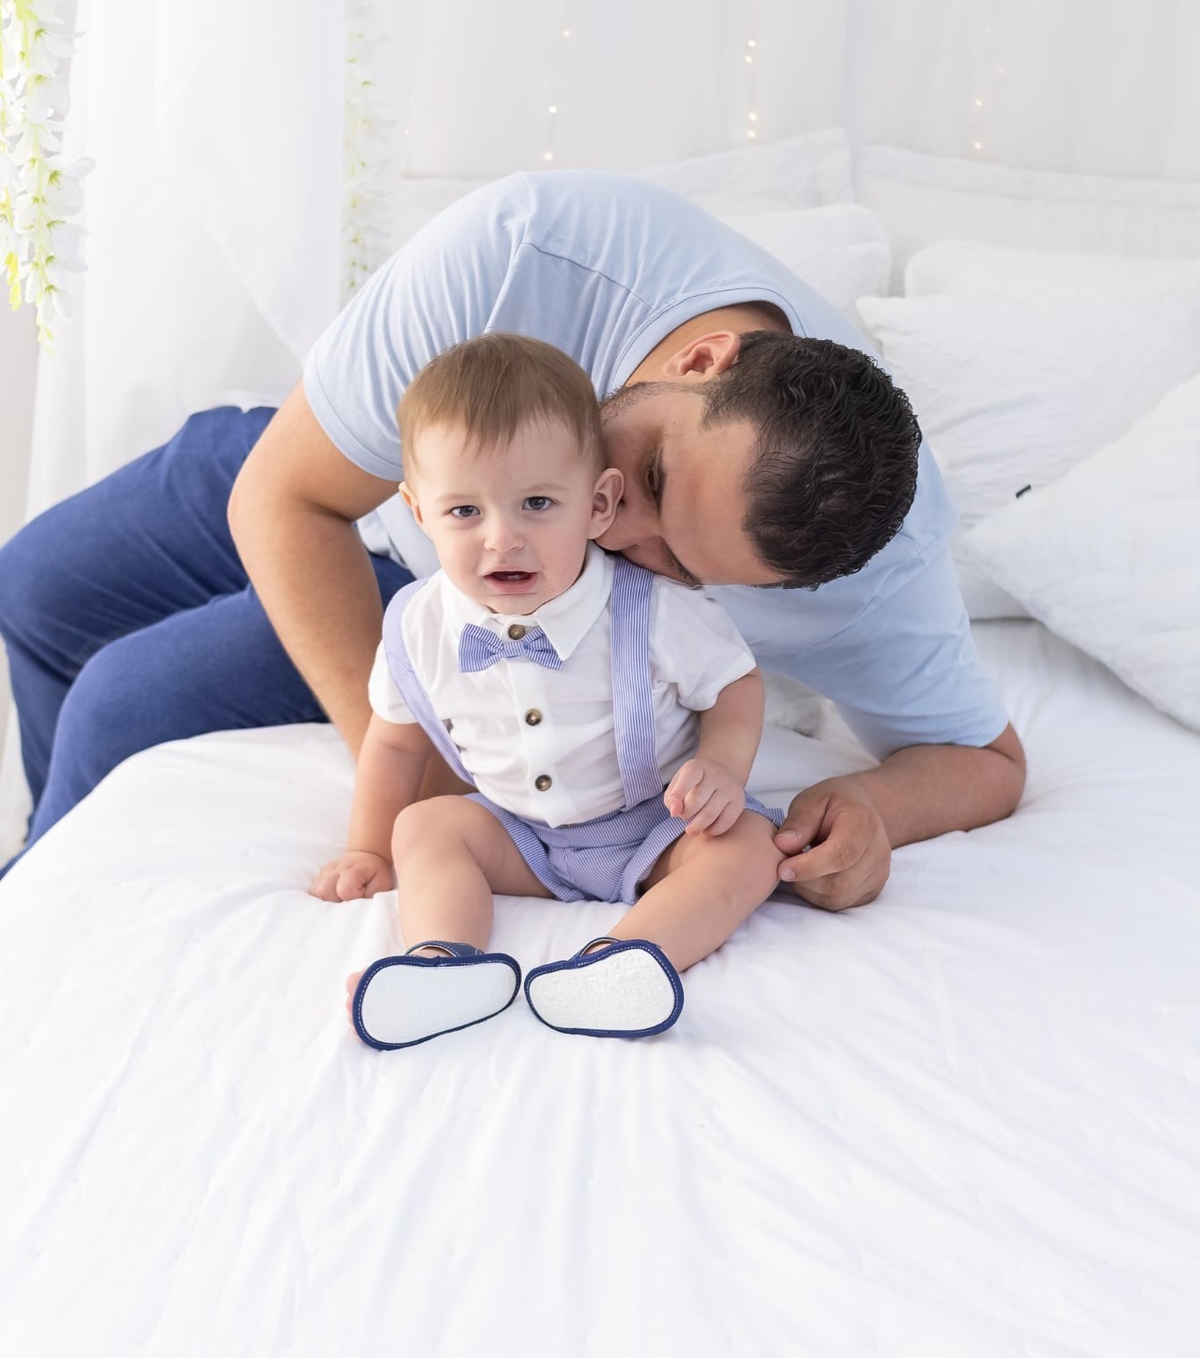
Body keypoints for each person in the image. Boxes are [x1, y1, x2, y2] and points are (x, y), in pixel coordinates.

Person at [0, 171, 1025, 898]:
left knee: (119, 701)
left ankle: (35, 910)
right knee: (34, 584)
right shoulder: (524, 248)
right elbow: (286, 497)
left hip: (452, 598)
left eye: (681, 568)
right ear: (706, 359)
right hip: (348, 475)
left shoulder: (867, 553)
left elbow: (987, 760)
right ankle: (45, 854)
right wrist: (421, 777)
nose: (622, 535)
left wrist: (870, 809)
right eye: (655, 475)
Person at [316, 333, 786, 1046]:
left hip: (652, 827)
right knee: (426, 826)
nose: (502, 539)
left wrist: (722, 766)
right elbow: (392, 743)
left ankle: (619, 961)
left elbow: (736, 685)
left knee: (750, 846)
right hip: (520, 839)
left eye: (537, 503)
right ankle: (443, 962)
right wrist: (368, 850)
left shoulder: (655, 609)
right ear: (418, 513)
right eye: (464, 512)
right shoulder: (419, 626)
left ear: (598, 505)